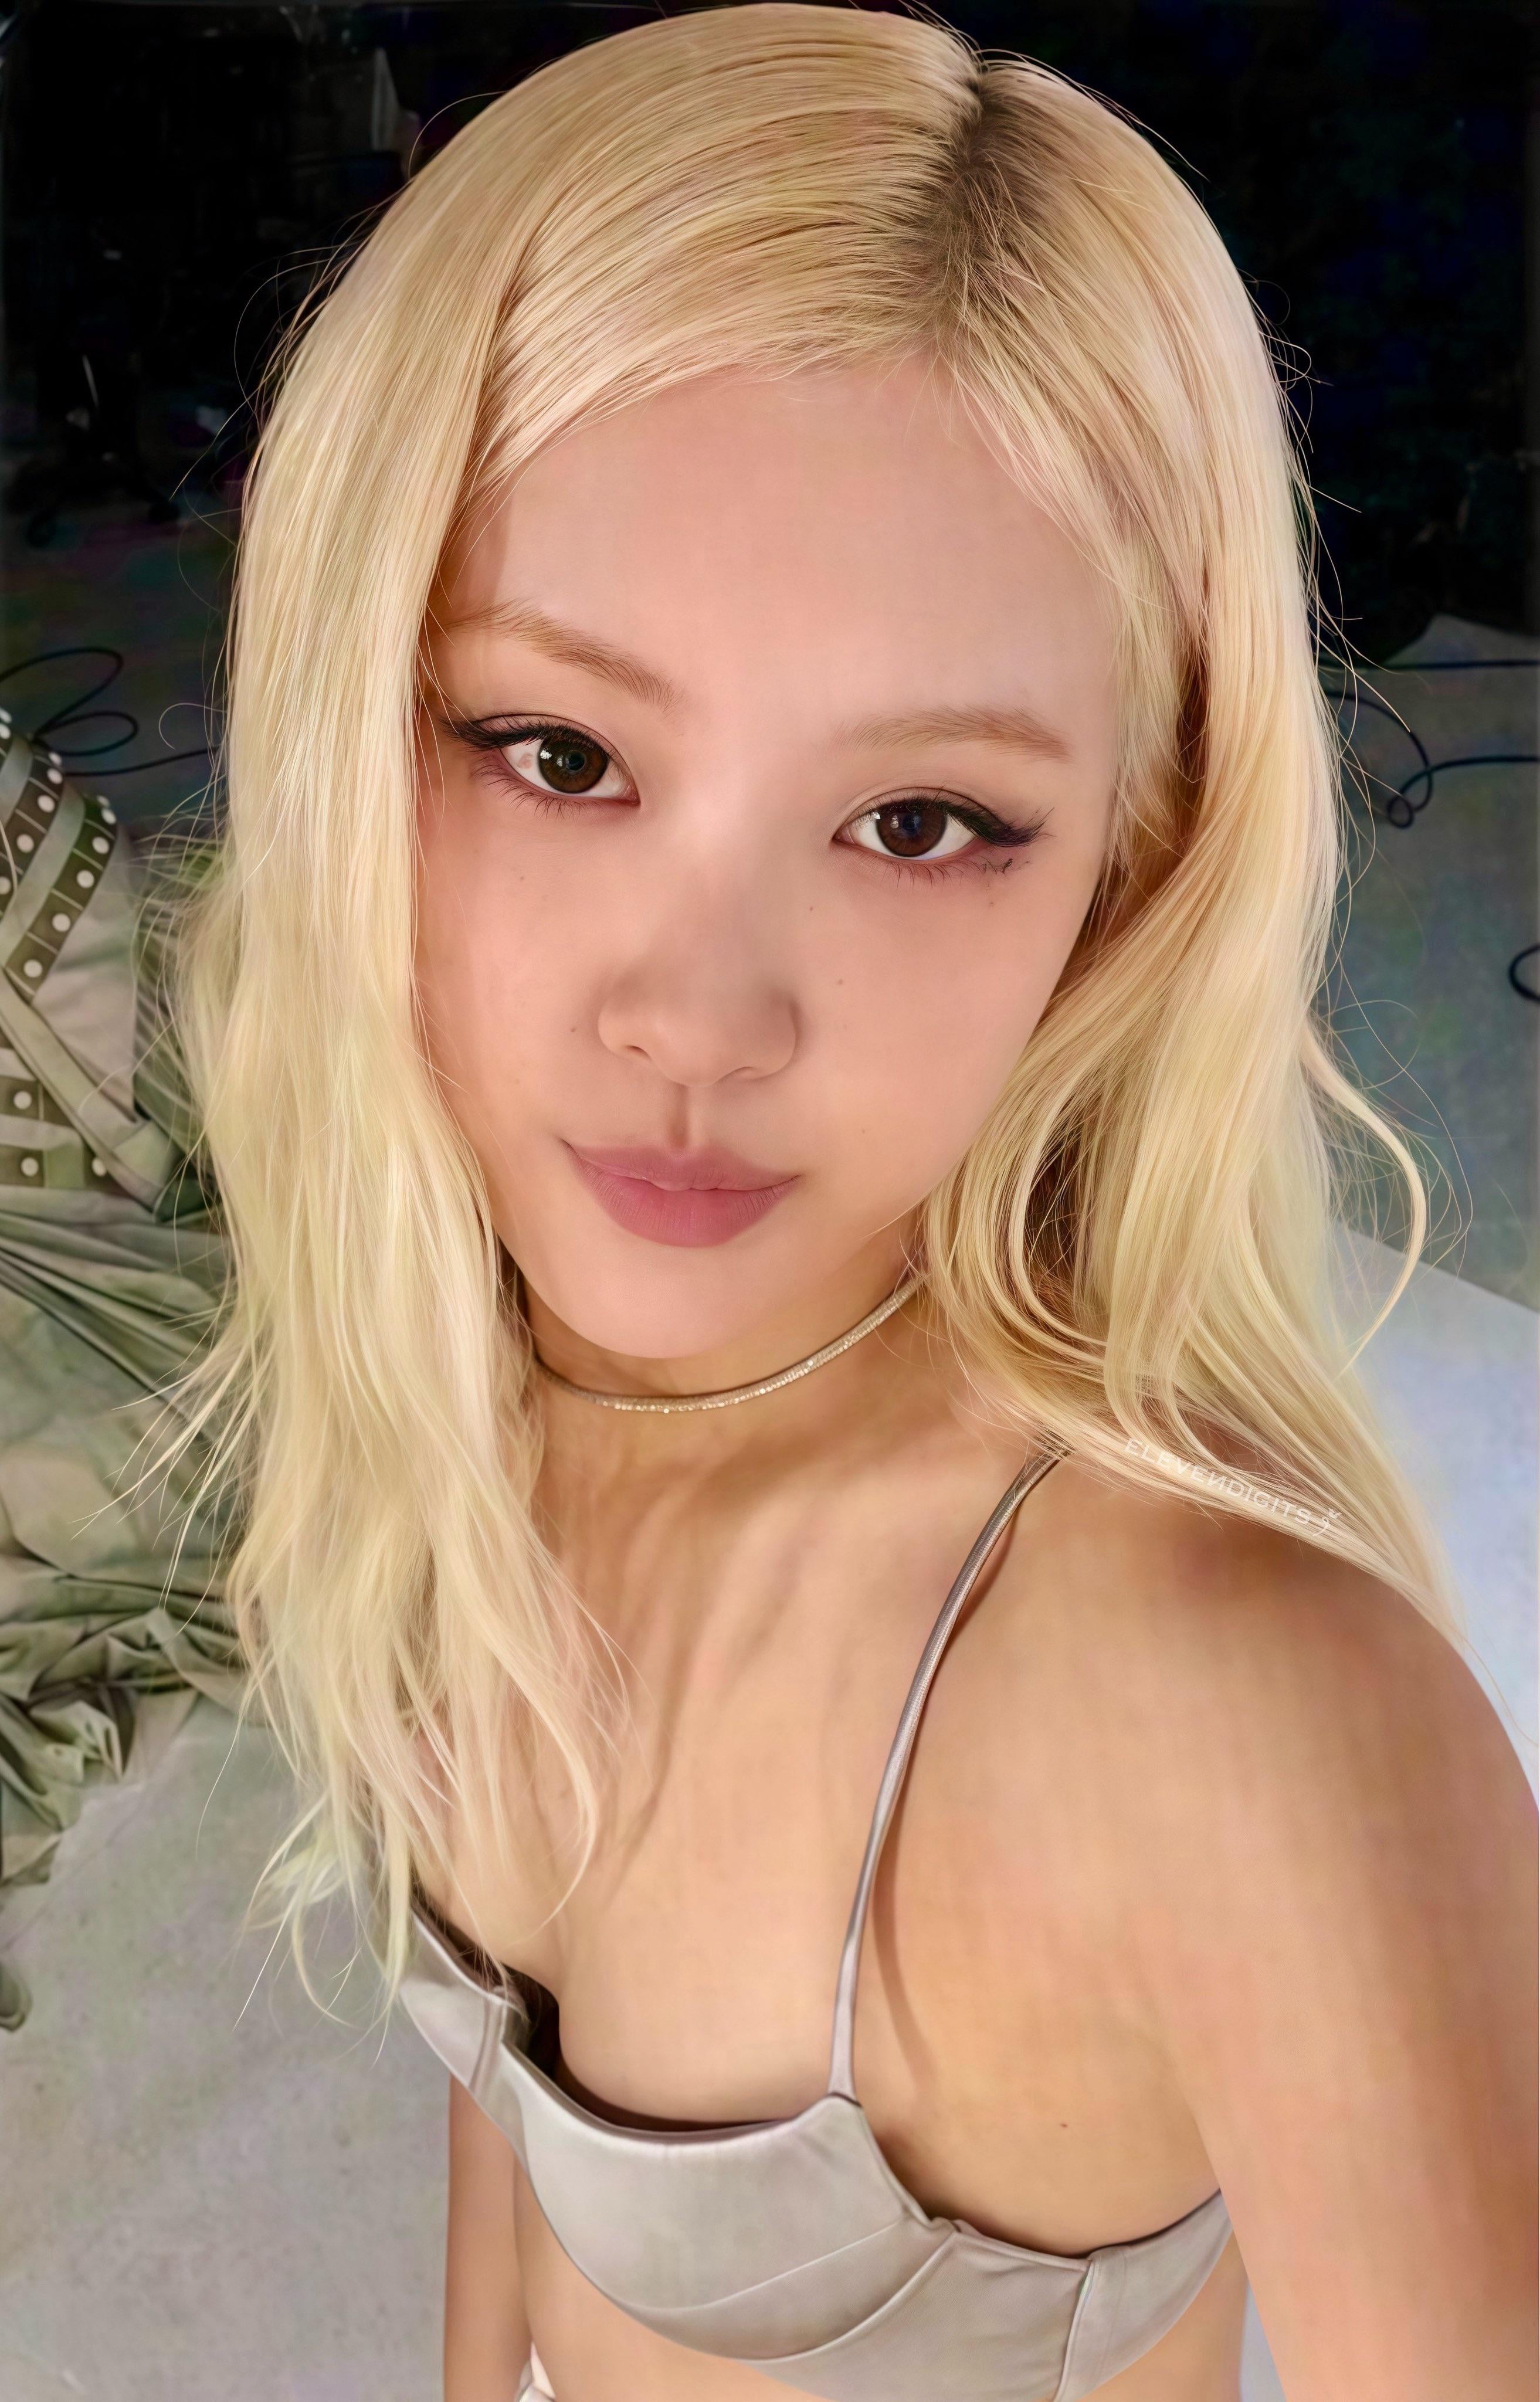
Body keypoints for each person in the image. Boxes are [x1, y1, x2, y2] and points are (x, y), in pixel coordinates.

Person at [164, 6, 1536, 2398]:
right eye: (557, 750)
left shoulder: (1240, 1712)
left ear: (1133, 869)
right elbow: (507, 2114)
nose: (700, 1020)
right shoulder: (475, 1351)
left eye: (919, 822)